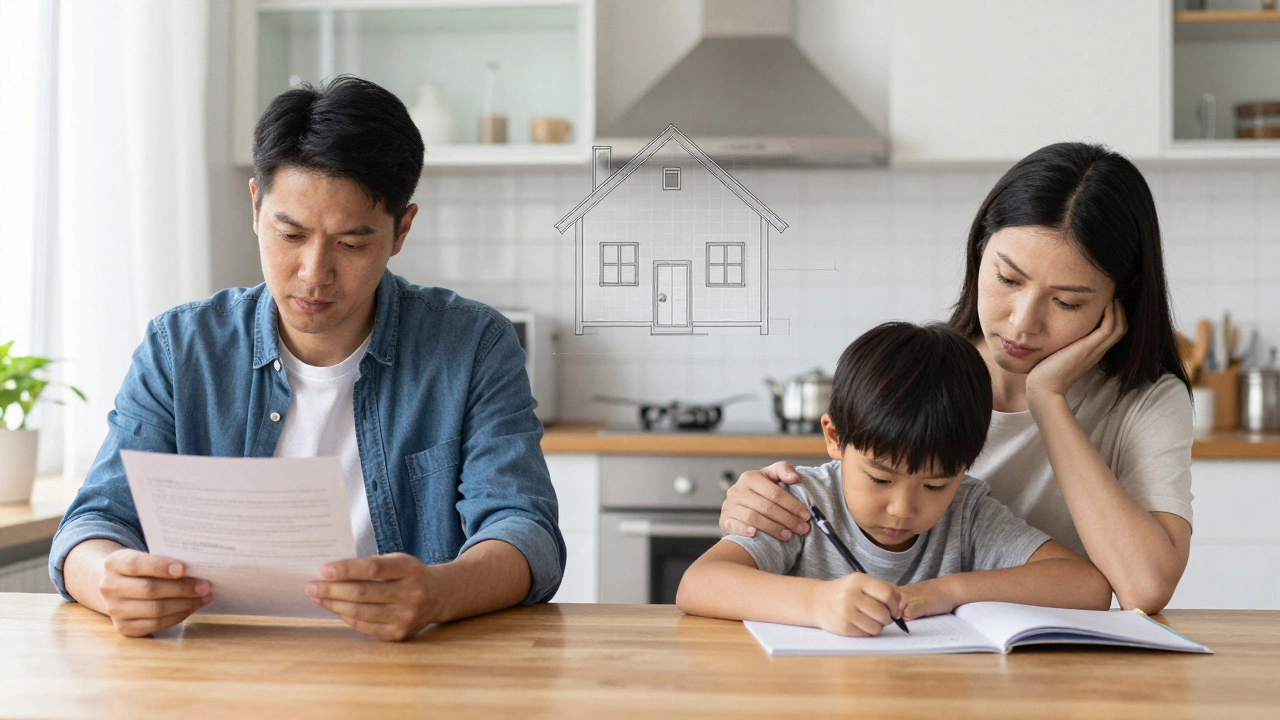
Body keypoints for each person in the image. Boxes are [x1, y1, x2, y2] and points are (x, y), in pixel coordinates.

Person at [50, 76, 565, 641]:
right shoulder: (182, 348)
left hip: (405, 672)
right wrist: (109, 581)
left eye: (350, 243)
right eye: (290, 234)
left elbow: (526, 530)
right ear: (255, 206)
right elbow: (93, 523)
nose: (313, 273)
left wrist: (439, 591)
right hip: (218, 669)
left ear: (401, 230)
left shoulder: (472, 346)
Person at [719, 142, 1193, 613]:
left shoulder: (1144, 401)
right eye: (1008, 279)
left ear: (1120, 296)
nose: (1023, 322)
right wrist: (757, 507)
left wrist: (1048, 399)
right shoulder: (928, 369)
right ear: (980, 251)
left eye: (1067, 302)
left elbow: (1144, 589)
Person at [677, 323, 1110, 635]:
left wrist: (950, 590)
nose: (903, 509)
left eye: (935, 485)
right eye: (880, 479)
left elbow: (1088, 586)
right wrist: (816, 603)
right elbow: (699, 584)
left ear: (968, 463)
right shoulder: (801, 503)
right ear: (834, 437)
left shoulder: (968, 511)